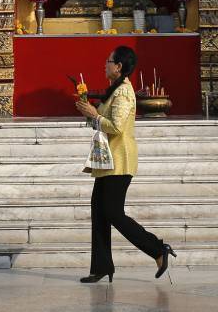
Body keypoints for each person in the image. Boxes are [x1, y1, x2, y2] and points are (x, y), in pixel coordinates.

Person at [74, 45, 176, 282]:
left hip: (120, 160)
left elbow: (116, 127)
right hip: (108, 160)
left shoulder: (123, 93)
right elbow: (101, 121)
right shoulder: (115, 90)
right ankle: (101, 267)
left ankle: (157, 249)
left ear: (118, 67)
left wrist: (94, 114)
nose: (105, 65)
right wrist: (89, 112)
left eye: (109, 61)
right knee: (99, 211)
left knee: (113, 212)